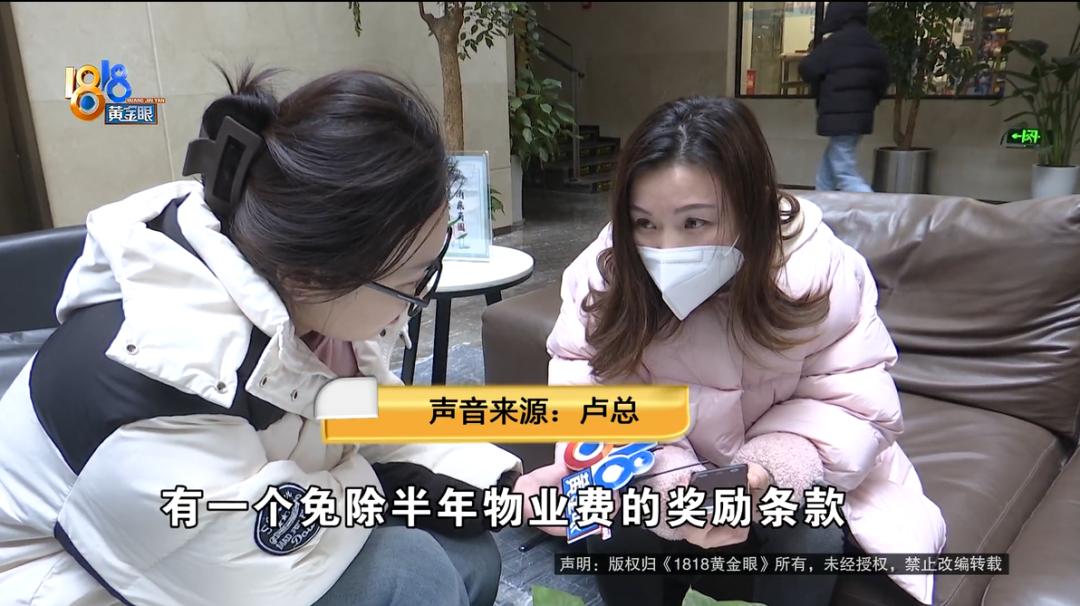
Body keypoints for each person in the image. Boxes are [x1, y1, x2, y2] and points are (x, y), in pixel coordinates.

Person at [0, 66, 524, 606]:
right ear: (312, 275)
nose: (415, 300)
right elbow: (253, 563)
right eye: (412, 279)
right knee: (413, 575)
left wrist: (503, 488)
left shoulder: (311, 307)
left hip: (218, 545)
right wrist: (393, 486)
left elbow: (370, 416)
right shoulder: (161, 377)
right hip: (87, 581)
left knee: (468, 554)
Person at [515, 96, 945, 606]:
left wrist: (762, 474)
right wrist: (673, 485)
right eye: (644, 223)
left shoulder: (820, 271)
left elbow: (850, 405)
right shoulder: (605, 274)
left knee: (811, 533)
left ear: (749, 207)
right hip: (663, 466)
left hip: (783, 472)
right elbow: (593, 395)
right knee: (611, 514)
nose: (666, 248)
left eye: (694, 223)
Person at [798, 1, 890, 192]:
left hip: (839, 116)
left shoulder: (835, 43)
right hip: (860, 118)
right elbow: (883, 81)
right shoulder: (873, 45)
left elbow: (807, 68)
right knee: (827, 173)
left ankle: (875, 206)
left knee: (845, 173)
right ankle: (823, 204)